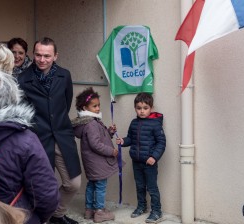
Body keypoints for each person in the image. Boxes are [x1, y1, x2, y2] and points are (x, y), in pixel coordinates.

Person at [0, 68, 59, 224]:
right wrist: (37, 219)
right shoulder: (25, 141)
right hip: (14, 217)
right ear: (13, 97)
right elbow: (46, 196)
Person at [17, 37, 82, 224]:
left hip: (62, 136)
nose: (42, 59)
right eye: (38, 55)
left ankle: (57, 214)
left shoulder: (65, 75)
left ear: (55, 56)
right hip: (38, 139)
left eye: (47, 55)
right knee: (41, 187)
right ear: (33, 54)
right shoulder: (22, 79)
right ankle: (43, 219)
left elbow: (66, 103)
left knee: (73, 183)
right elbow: (24, 112)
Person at [116, 92, 166, 223]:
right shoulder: (134, 123)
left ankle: (157, 211)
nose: (142, 111)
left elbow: (161, 143)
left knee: (151, 187)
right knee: (139, 186)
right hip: (136, 161)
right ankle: (142, 207)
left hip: (149, 162)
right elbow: (130, 139)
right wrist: (123, 141)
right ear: (135, 108)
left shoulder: (155, 124)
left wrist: (154, 157)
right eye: (139, 108)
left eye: (145, 108)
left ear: (151, 108)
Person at [71, 87, 119, 223]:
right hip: (97, 162)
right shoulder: (91, 123)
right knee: (100, 186)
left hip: (92, 163)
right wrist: (111, 151)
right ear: (85, 107)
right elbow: (96, 144)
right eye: (94, 106)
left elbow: (99, 138)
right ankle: (99, 212)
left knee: (92, 185)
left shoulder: (89, 122)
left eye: (98, 105)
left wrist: (109, 132)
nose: (98, 108)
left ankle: (89, 210)